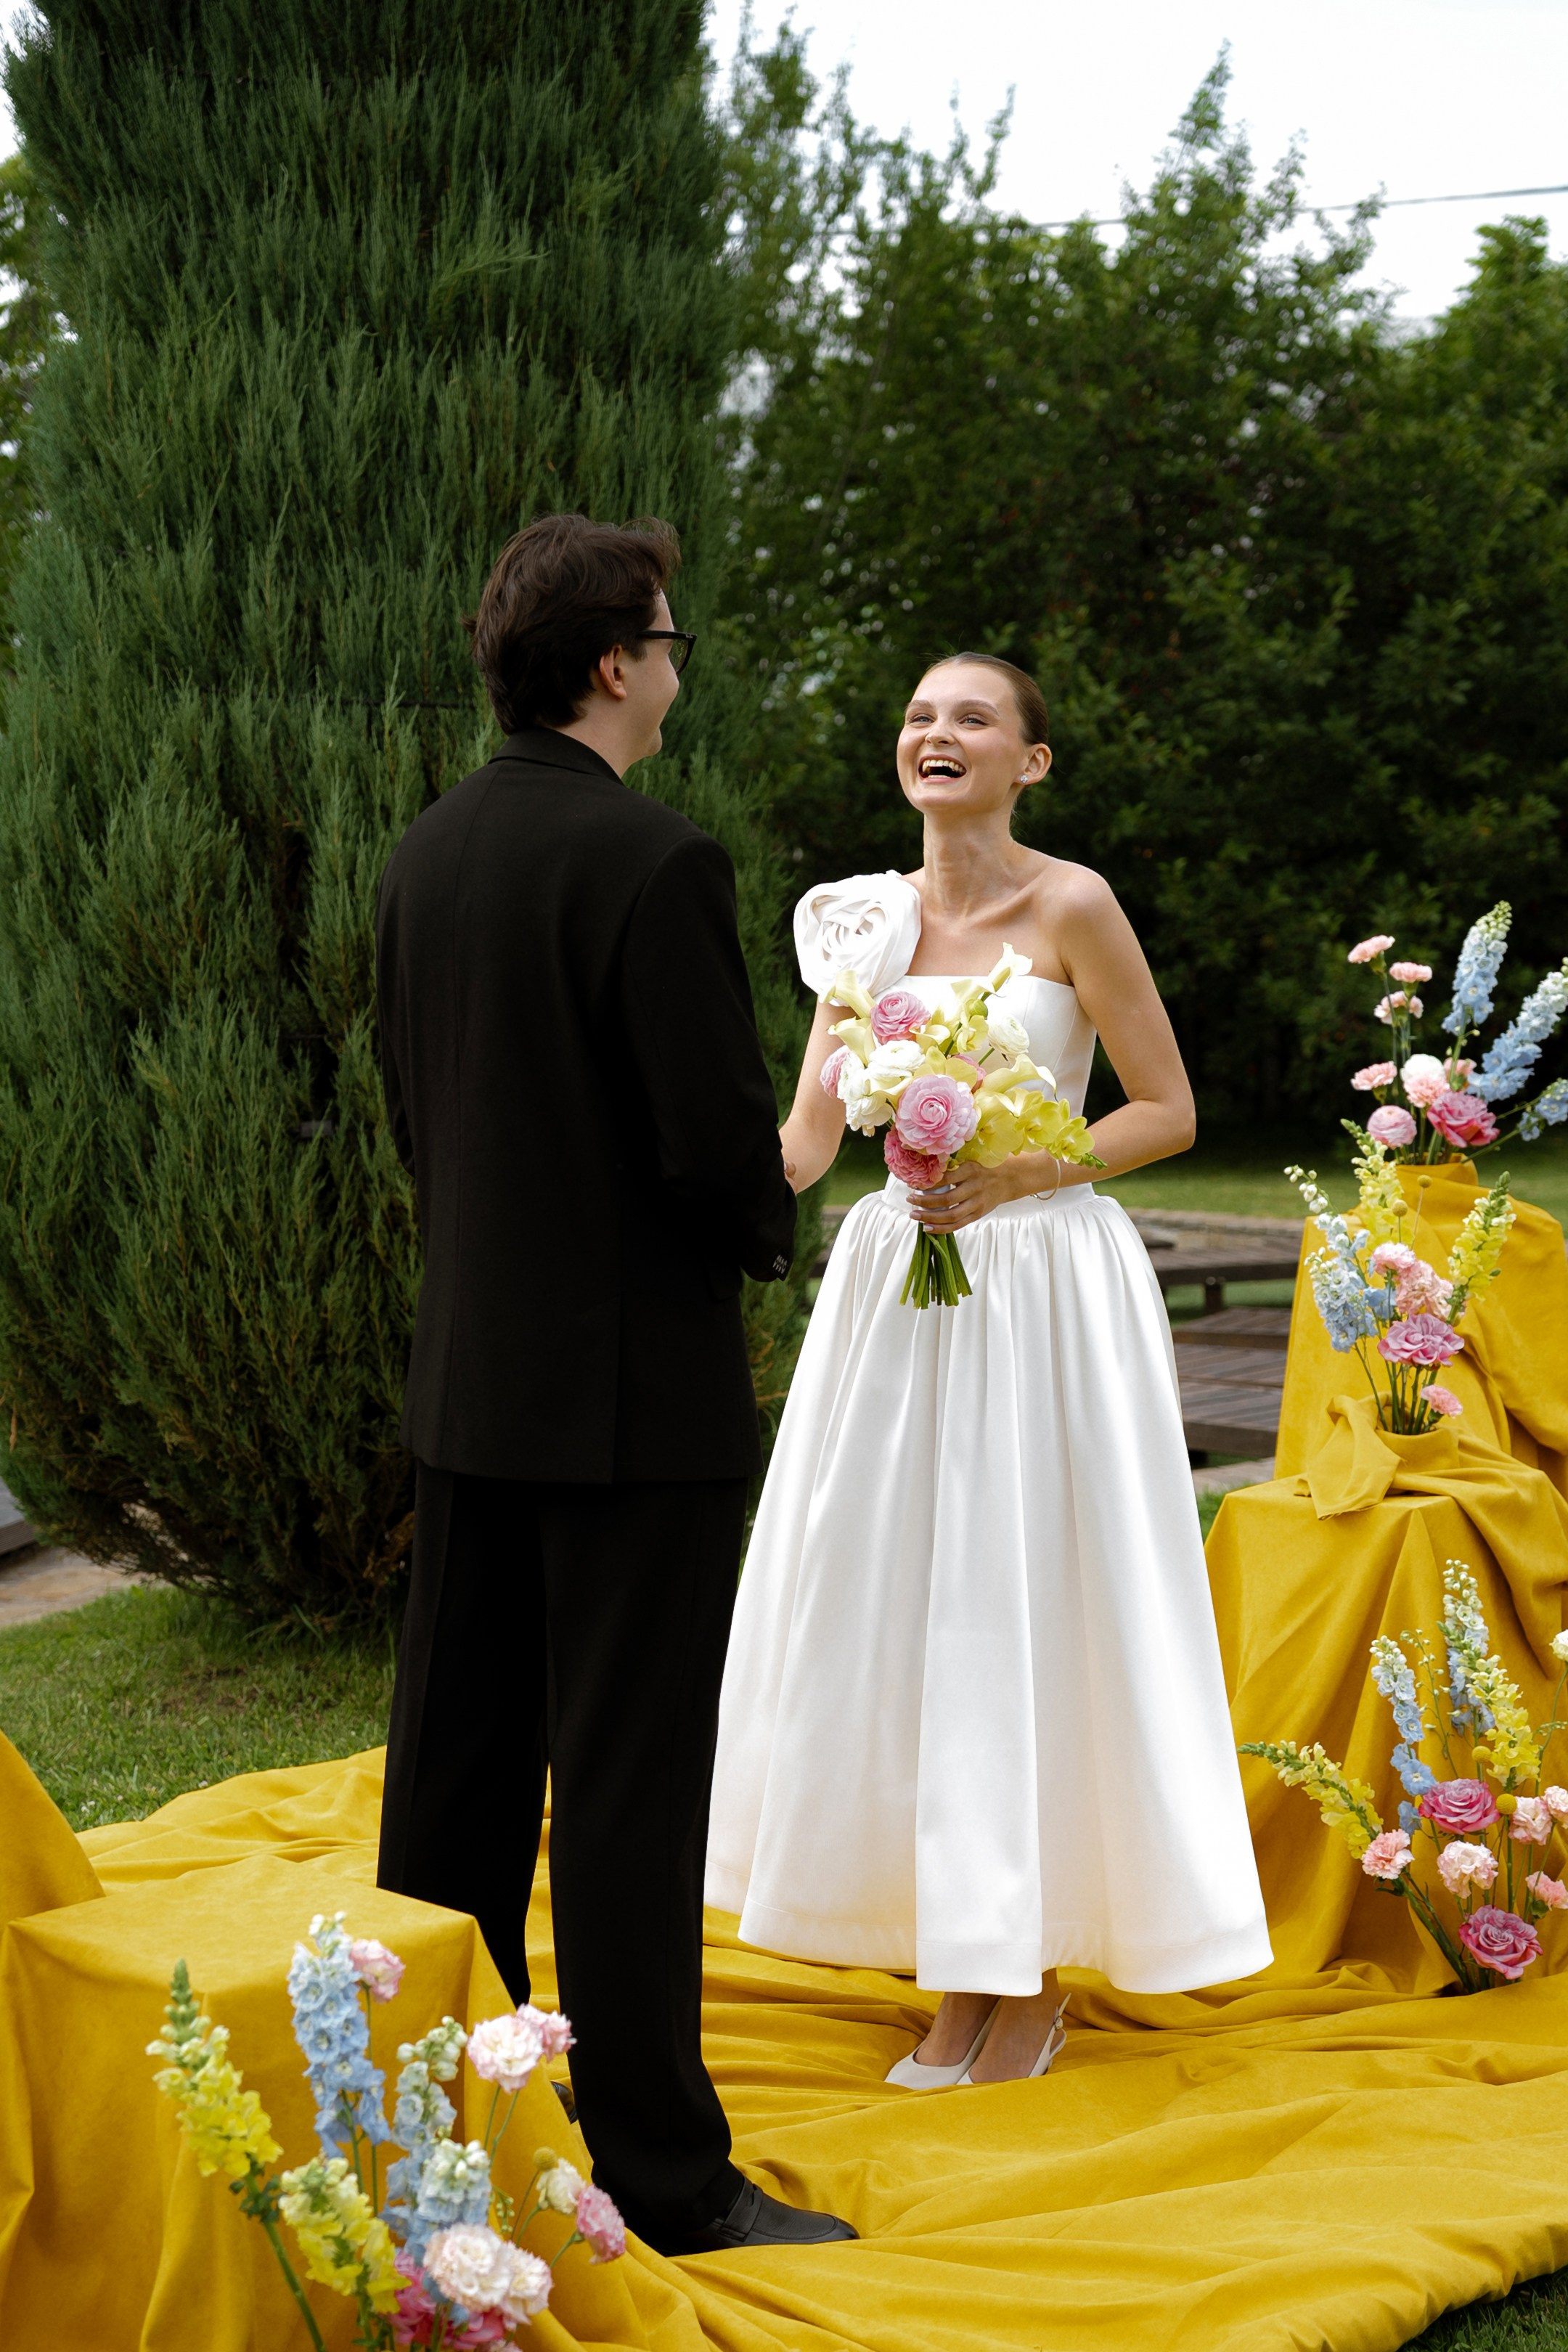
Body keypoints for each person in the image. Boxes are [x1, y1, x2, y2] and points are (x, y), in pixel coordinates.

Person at [374, 513, 856, 2253]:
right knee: (632, 1793)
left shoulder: (426, 854)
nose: (672, 668)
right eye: (666, 640)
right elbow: (721, 1175)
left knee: (453, 1780)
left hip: (473, 1388)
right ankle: (660, 2177)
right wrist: (808, 1131)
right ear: (608, 664)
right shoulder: (660, 865)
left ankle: (423, 2124)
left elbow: (420, 1121)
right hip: (637, 1414)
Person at [706, 653, 1271, 2086]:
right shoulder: (854, 925)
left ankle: (1021, 1976)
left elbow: (1167, 1109)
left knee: (1026, 1600)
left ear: (1031, 761)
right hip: (898, 1292)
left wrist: (1016, 1172)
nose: (936, 733)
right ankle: (948, 1951)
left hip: (1042, 1284)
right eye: (918, 715)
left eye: (972, 717)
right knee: (898, 1600)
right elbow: (808, 1145)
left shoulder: (1071, 903)